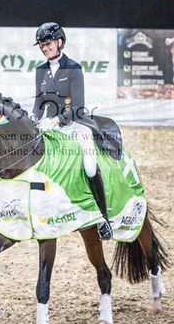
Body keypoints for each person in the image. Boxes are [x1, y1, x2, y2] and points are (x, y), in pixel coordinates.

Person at [31, 21, 113, 239]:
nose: (45, 48)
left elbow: (78, 107)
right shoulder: (40, 71)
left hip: (75, 126)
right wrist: (34, 121)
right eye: (42, 45)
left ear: (60, 42)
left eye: (48, 43)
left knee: (89, 166)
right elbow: (38, 104)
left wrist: (58, 119)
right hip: (50, 127)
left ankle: (104, 218)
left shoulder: (74, 68)